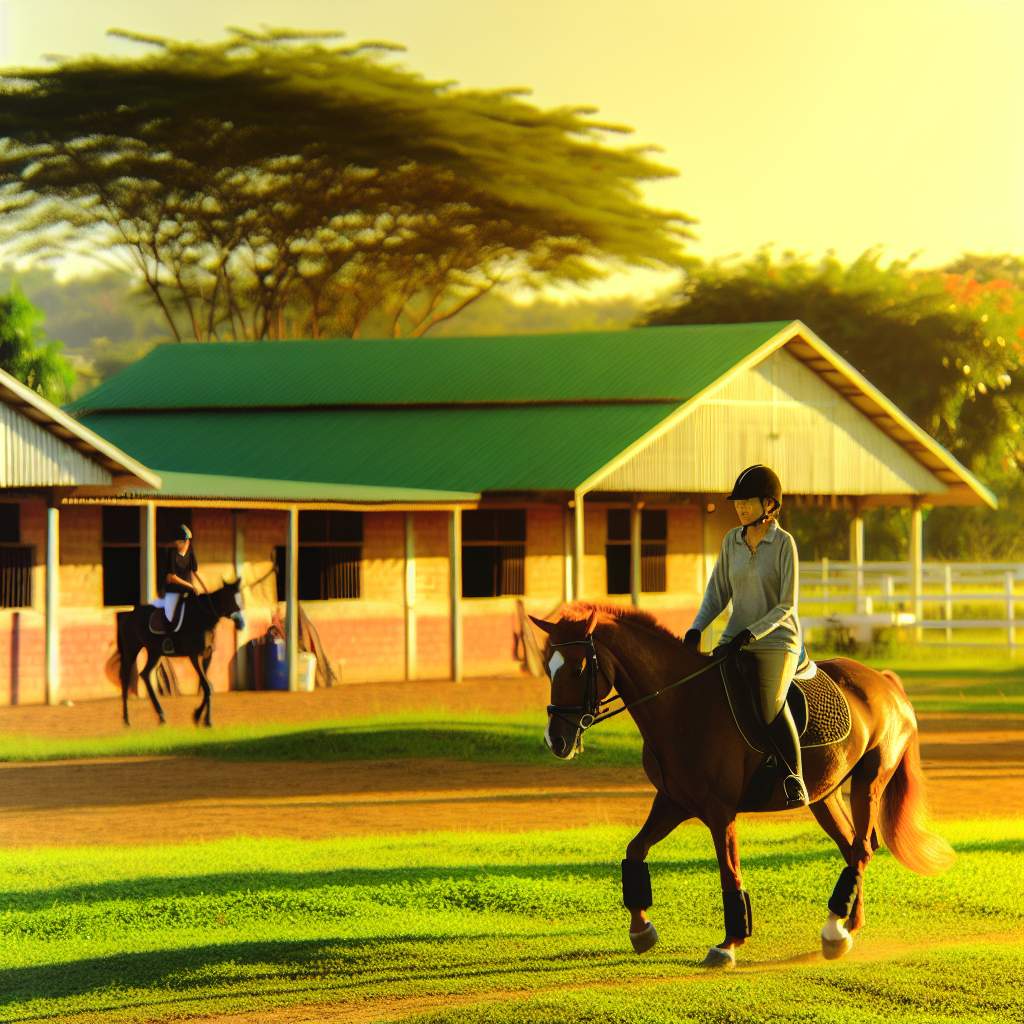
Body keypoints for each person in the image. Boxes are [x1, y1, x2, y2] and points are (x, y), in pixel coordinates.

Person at [683, 464, 809, 807]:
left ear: (770, 505)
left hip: (778, 641)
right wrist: (697, 627)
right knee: (706, 693)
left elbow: (787, 605)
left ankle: (793, 776)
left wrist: (751, 634)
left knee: (769, 706)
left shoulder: (785, 544)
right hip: (735, 636)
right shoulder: (731, 541)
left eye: (747, 501)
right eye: (737, 501)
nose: (739, 507)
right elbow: (717, 592)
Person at [152, 524, 207, 624]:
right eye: (176, 542)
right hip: (173, 591)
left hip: (187, 590)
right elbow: (171, 577)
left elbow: (194, 571)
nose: (177, 544)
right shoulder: (171, 553)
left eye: (179, 542)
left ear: (186, 542)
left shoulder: (190, 552)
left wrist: (204, 588)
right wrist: (190, 586)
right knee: (170, 618)